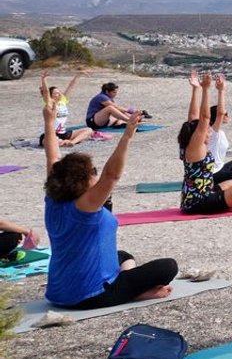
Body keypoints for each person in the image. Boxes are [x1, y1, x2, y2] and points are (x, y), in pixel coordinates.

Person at [42, 101, 177, 309]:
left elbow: (52, 155)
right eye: (92, 173)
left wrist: (49, 122)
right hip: (91, 296)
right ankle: (135, 293)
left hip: (58, 293)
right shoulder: (85, 206)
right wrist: (127, 135)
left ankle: (131, 286)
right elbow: (111, 175)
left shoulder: (54, 198)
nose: (96, 175)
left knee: (123, 256)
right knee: (168, 267)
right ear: (83, 182)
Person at [178, 73, 232, 214]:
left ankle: (230, 205)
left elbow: (192, 118)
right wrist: (206, 89)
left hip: (203, 194)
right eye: (206, 131)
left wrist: (196, 90)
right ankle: (229, 206)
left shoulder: (187, 144)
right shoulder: (196, 148)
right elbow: (205, 118)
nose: (209, 133)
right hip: (198, 202)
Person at [190, 72, 232, 185]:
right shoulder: (212, 132)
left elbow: (195, 117)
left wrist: (197, 89)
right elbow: (217, 114)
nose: (227, 115)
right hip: (212, 175)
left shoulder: (212, 132)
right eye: (226, 114)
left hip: (218, 168)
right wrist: (220, 91)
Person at [39, 70, 92, 148]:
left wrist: (78, 75)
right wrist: (44, 79)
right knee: (49, 143)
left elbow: (71, 86)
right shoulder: (50, 103)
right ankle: (63, 142)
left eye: (59, 92)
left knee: (89, 130)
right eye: (56, 93)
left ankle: (72, 142)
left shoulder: (63, 101)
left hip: (63, 133)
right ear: (51, 96)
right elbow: (46, 91)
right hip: (51, 133)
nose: (59, 94)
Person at [85, 82, 150, 130]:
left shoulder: (108, 98)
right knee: (110, 108)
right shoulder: (101, 97)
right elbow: (115, 108)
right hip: (92, 122)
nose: (116, 94)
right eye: (114, 92)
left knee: (118, 113)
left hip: (102, 121)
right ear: (107, 92)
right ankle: (130, 121)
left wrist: (134, 116)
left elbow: (119, 110)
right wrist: (132, 111)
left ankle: (128, 121)